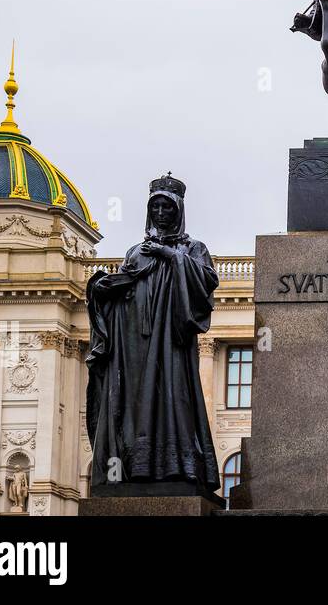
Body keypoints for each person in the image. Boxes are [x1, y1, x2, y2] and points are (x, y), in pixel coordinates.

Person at [85, 174, 220, 494]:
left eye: (167, 206)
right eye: (155, 206)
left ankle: (178, 466)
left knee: (174, 399)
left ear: (178, 210)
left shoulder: (192, 248)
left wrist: (170, 255)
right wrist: (103, 288)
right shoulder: (136, 251)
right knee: (136, 405)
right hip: (136, 344)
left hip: (172, 343)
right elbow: (124, 286)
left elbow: (206, 284)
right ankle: (135, 468)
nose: (161, 212)